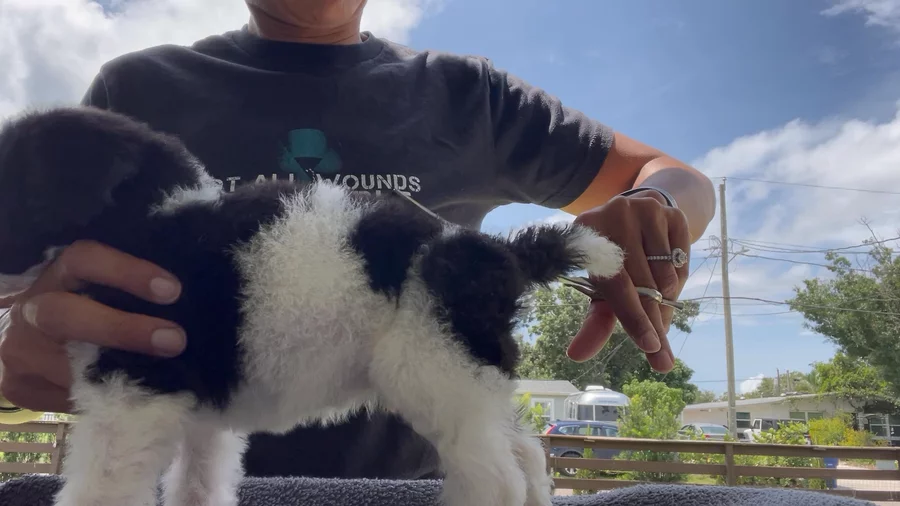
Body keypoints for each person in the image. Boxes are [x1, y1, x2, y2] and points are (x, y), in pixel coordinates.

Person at [0, 0, 715, 479]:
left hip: (423, 485)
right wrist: (18, 338)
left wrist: (652, 206)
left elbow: (676, 176)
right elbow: (21, 283)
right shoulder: (134, 93)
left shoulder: (471, 96)